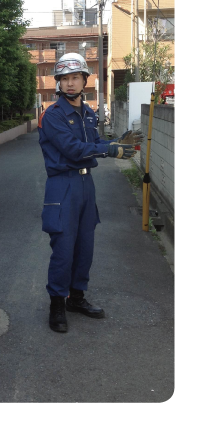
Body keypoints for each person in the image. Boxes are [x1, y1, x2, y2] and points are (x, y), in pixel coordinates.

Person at [38, 52, 142, 333]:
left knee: (85, 247)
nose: (70, 83)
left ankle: (76, 298)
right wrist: (108, 149)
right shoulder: (53, 115)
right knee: (63, 249)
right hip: (63, 185)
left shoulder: (88, 113)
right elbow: (73, 149)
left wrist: (116, 142)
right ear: (58, 82)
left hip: (86, 185)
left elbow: (94, 142)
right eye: (64, 79)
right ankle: (57, 305)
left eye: (75, 77)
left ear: (85, 80)